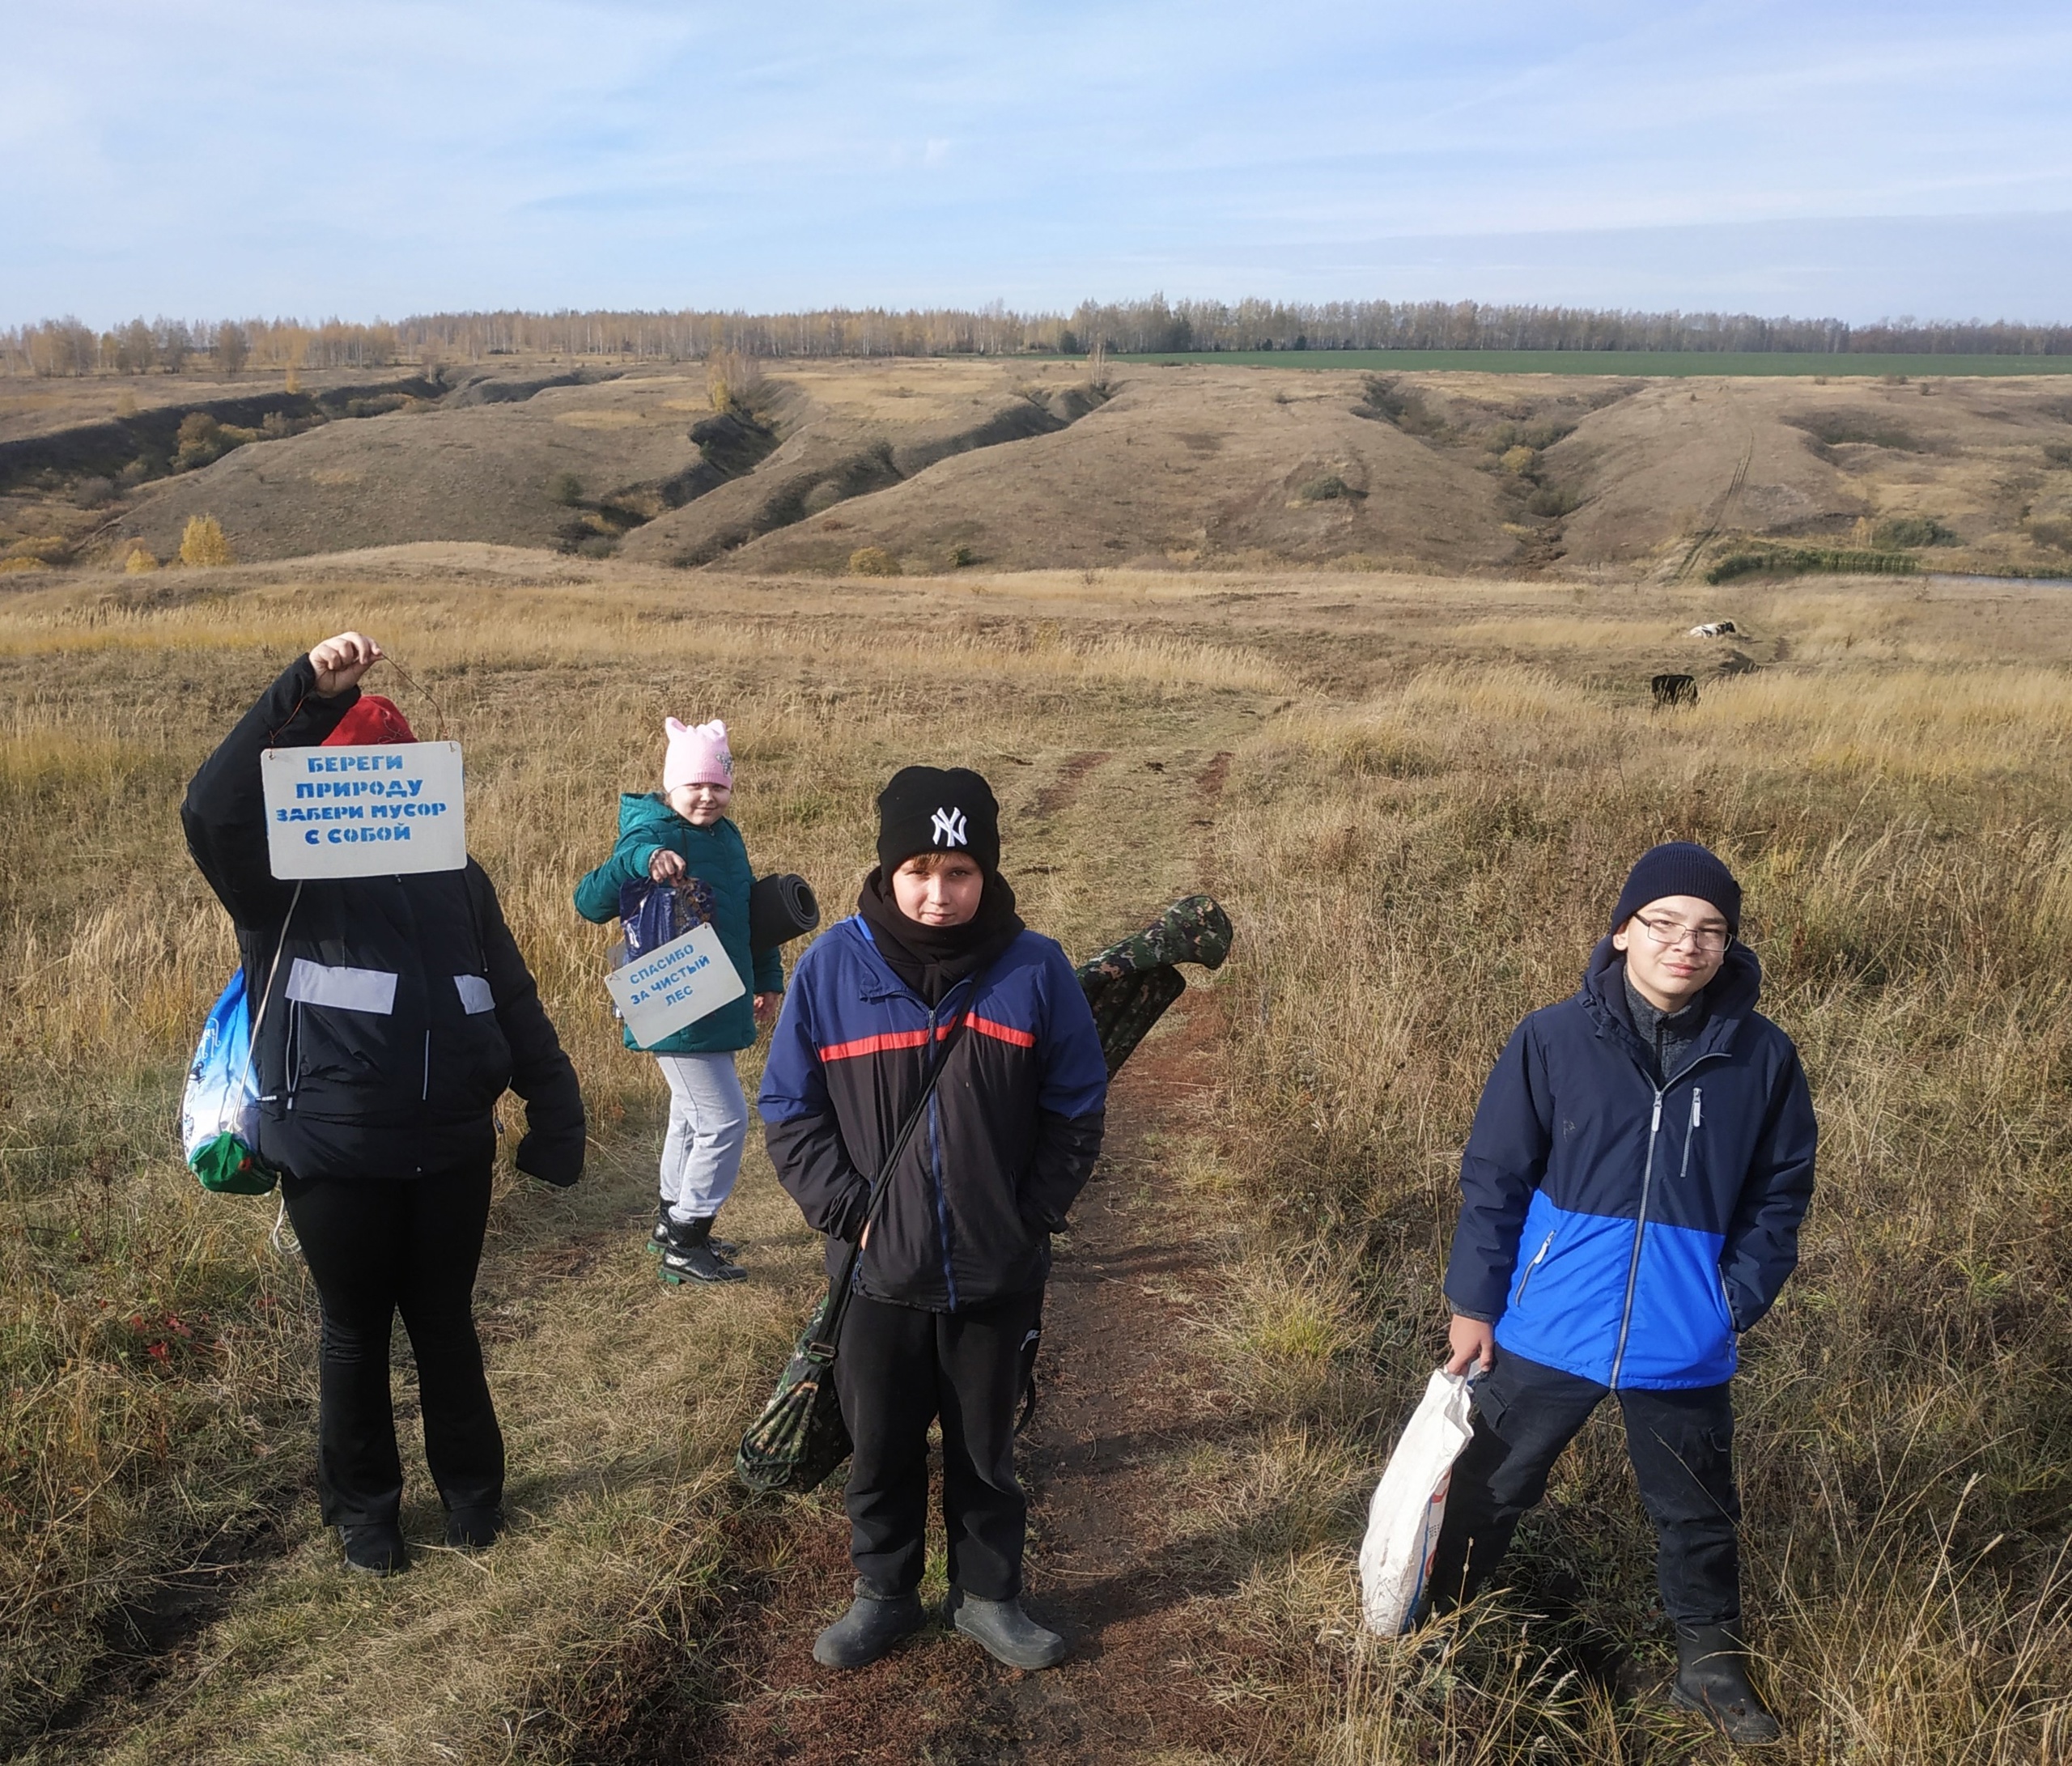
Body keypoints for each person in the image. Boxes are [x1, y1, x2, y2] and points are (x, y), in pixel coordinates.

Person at [181, 631, 586, 1577]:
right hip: (331, 1151)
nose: (381, 785)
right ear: (319, 782)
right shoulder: (280, 882)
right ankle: (367, 1519)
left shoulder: (460, 875)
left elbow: (510, 992)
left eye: (396, 768)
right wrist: (307, 693)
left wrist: (555, 1107)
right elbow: (211, 809)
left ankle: (476, 1504)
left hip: (451, 1145)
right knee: (355, 1333)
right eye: (359, 769)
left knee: (445, 1323)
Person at [1429, 842, 1816, 1744]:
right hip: (1546, 1320)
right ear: (1622, 931)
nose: (1687, 945)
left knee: (1697, 1509)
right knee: (1488, 1486)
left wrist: (1731, 1302)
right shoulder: (1552, 1038)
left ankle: (1711, 1671)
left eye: (1711, 931)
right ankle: (1436, 1631)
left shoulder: (1761, 1057)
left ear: (1728, 946)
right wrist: (1475, 1301)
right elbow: (1495, 1177)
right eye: (1666, 924)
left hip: (1682, 1334)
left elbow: (1779, 1192)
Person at [758, 767, 1107, 1671]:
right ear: (887, 870)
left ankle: (990, 1596)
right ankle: (884, 1593)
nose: (938, 893)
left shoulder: (1036, 968)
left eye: (958, 871)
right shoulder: (831, 967)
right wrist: (845, 1212)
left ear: (986, 874)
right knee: (879, 1445)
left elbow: (1077, 1105)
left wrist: (1031, 1214)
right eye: (918, 869)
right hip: (874, 1274)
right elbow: (789, 1111)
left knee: (988, 1450)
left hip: (997, 1270)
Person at [573, 716, 782, 1283]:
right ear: (671, 787)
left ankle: (672, 1223)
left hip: (719, 998)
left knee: (690, 1119)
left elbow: (746, 918)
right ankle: (688, 1240)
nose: (708, 796)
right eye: (695, 785)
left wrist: (767, 978)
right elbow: (589, 902)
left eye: (719, 785)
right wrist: (641, 863)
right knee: (725, 1122)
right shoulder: (650, 832)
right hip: (676, 1005)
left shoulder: (727, 837)